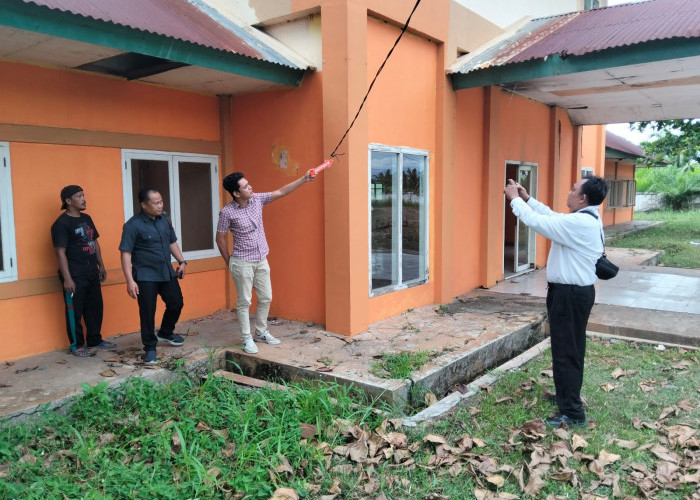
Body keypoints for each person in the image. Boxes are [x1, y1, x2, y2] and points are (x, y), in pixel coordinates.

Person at [504, 175, 608, 428]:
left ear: (583, 198)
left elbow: (538, 222)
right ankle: (567, 398)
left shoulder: (581, 224)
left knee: (566, 352)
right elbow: (552, 216)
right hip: (572, 294)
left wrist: (515, 201)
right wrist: (528, 198)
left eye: (573, 189)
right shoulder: (585, 218)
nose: (569, 192)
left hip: (570, 296)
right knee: (569, 349)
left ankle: (572, 414)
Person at [216, 170, 316, 354]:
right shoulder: (227, 213)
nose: (250, 187)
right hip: (242, 261)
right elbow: (220, 239)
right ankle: (246, 338)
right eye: (245, 186)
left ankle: (261, 332)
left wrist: (304, 179)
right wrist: (229, 261)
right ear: (236, 193)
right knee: (244, 301)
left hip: (261, 259)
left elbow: (281, 192)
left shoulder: (257, 200)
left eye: (249, 183)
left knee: (266, 297)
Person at [119, 187, 187, 365]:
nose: (160, 206)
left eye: (161, 202)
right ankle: (150, 347)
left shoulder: (164, 219)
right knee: (148, 312)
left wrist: (182, 261)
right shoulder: (132, 225)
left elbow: (171, 242)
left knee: (176, 302)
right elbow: (125, 253)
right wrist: (130, 280)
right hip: (145, 275)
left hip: (166, 271)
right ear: (143, 205)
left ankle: (165, 331)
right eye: (155, 203)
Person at [51, 185, 115, 357]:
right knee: (75, 311)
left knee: (95, 307)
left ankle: (95, 339)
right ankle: (76, 345)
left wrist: (101, 265)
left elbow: (94, 242)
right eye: (79, 196)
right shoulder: (61, 224)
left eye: (83, 195)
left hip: (91, 271)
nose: (84, 199)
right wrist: (67, 278)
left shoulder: (87, 218)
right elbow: (60, 252)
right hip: (74, 274)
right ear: (68, 201)